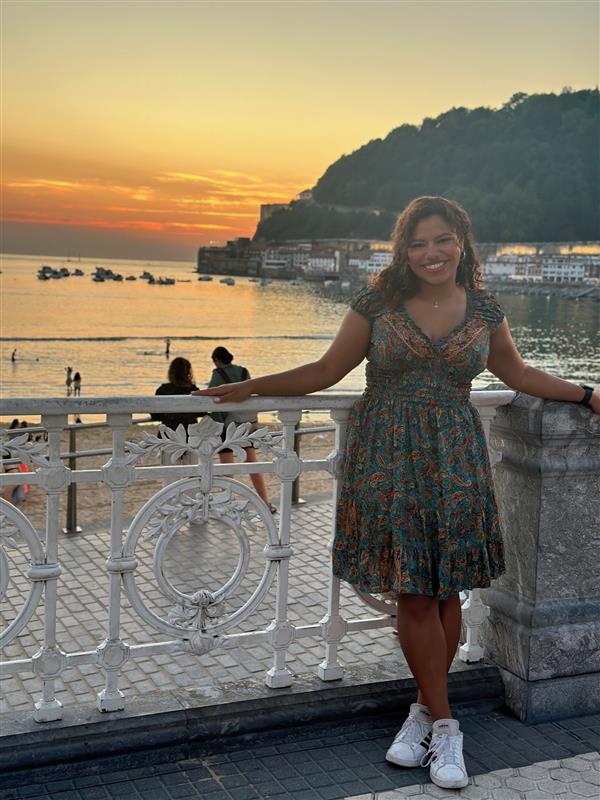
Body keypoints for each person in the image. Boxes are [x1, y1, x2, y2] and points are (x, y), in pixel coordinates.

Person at [193, 196, 599, 790]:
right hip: (387, 457)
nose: (431, 253)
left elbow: (520, 375)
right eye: (418, 243)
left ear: (462, 241)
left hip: (455, 457)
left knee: (443, 590)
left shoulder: (484, 308)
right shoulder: (378, 301)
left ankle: (422, 713)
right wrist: (249, 387)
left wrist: (588, 395)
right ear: (404, 249)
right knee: (414, 590)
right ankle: (449, 726)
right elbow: (325, 372)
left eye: (442, 240)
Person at [206, 346, 275, 513]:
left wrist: (214, 426)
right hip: (248, 424)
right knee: (252, 464)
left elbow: (211, 398)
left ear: (216, 361)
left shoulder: (218, 374)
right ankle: (265, 503)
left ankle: (227, 505)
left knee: (227, 467)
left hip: (229, 426)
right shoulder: (244, 372)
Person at [152, 357, 200, 432]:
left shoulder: (163, 390)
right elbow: (201, 412)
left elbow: (155, 415)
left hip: (168, 432)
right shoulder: (194, 391)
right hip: (190, 434)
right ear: (188, 372)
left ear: (171, 372)